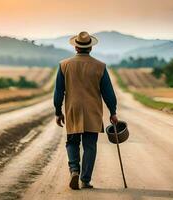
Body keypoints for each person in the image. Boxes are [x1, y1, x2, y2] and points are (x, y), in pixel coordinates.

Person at [54, 31, 118, 190]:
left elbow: (58, 91)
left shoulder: (64, 65)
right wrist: (113, 112)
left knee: (72, 142)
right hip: (92, 110)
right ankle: (85, 179)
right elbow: (108, 93)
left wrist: (58, 111)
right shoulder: (100, 66)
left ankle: (74, 170)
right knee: (90, 145)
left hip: (73, 109)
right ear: (90, 48)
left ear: (76, 46)